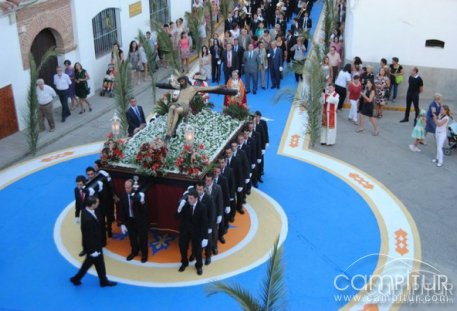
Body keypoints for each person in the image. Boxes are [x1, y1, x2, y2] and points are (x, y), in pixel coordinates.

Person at [156, 75, 235, 139]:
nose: (181, 83)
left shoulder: (194, 88)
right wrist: (171, 80)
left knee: (176, 110)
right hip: (177, 103)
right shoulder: (180, 87)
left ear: (186, 81)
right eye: (180, 82)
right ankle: (168, 130)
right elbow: (173, 84)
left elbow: (208, 88)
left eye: (182, 81)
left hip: (184, 106)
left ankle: (171, 131)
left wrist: (218, 87)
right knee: (171, 108)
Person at [70, 196, 117, 287]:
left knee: (95, 264)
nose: (98, 204)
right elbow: (88, 236)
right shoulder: (88, 219)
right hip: (93, 247)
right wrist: (92, 251)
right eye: (97, 202)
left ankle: (102, 280)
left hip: (95, 245)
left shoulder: (86, 211)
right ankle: (78, 279)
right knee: (92, 263)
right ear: (92, 205)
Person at [176, 189, 208, 275]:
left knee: (198, 250)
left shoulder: (202, 207)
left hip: (197, 232)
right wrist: (180, 207)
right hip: (185, 231)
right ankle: (184, 263)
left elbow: (204, 223)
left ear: (196, 198)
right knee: (182, 247)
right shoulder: (185, 205)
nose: (189, 200)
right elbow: (176, 217)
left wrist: (205, 237)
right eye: (188, 198)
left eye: (191, 198)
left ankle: (199, 266)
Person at [120, 179, 149, 263]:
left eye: (128, 188)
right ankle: (134, 252)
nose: (126, 190)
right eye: (125, 188)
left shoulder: (139, 195)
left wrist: (141, 201)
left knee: (143, 238)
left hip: (140, 221)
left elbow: (145, 210)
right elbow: (123, 210)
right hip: (130, 220)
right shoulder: (124, 195)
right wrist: (122, 223)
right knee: (132, 238)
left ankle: (144, 254)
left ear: (133, 187)